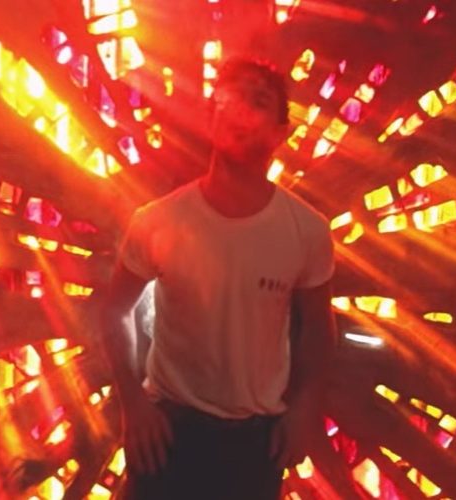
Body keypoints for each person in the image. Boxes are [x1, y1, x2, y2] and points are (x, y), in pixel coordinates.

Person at [99, 57, 336, 500]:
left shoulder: (306, 230)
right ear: (210, 117)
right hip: (168, 433)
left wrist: (306, 409)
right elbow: (115, 310)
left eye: (258, 101)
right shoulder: (158, 220)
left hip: (254, 444)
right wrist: (134, 405)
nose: (241, 111)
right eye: (229, 99)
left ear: (281, 133)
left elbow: (319, 329)